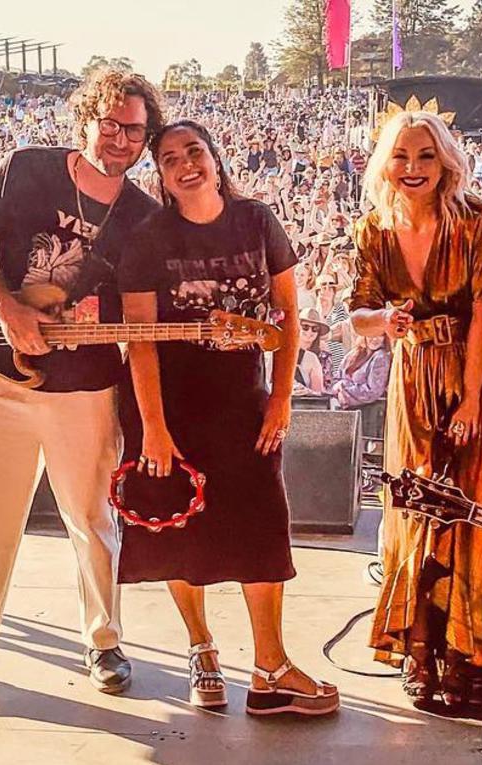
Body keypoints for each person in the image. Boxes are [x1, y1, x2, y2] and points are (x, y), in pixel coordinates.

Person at [0, 68, 165, 712]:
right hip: (2, 382)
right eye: (112, 124)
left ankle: (105, 641)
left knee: (92, 522)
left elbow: (135, 320)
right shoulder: (28, 169)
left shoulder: (142, 217)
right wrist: (6, 310)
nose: (124, 138)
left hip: (86, 390)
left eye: (137, 128)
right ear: (86, 118)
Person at [116, 119, 338, 716]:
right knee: (176, 528)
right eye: (169, 158)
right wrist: (153, 428)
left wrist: (282, 396)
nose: (186, 164)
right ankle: (201, 649)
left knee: (262, 528)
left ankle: (270, 669)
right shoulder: (147, 238)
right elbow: (140, 341)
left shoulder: (256, 220)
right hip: (168, 404)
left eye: (195, 152)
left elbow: (289, 317)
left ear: (215, 159)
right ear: (158, 174)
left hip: (244, 400)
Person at [350, 110, 482, 707]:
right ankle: (419, 647)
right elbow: (358, 315)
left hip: (475, 372)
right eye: (402, 156)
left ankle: (469, 651)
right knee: (414, 510)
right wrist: (387, 320)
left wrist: (467, 400)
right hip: (411, 379)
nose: (413, 169)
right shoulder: (374, 230)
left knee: (475, 510)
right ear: (386, 162)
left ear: (446, 163)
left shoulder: (475, 219)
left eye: (426, 156)